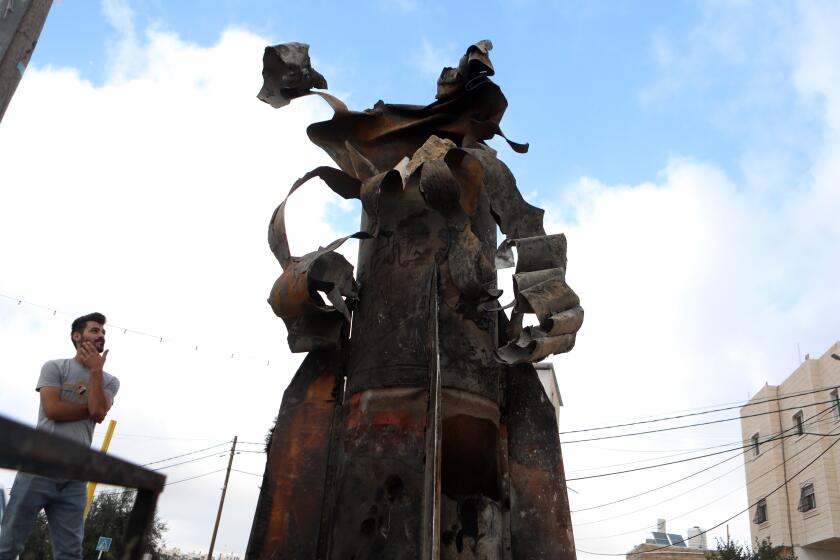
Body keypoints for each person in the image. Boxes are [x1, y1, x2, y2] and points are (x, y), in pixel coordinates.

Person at [0, 312, 120, 560]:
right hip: (38, 466)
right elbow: (53, 410)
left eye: (103, 332)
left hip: (75, 476)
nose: (101, 336)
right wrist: (89, 409)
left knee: (69, 552)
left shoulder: (109, 381)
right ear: (77, 336)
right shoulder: (55, 367)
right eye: (94, 330)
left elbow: (98, 412)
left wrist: (96, 372)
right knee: (9, 544)